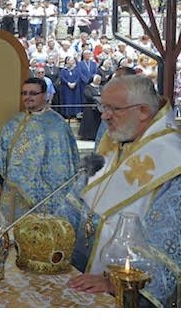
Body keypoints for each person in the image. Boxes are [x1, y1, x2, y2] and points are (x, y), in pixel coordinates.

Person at [63, 75, 181, 307]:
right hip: (80, 276)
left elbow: (168, 240)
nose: (104, 115)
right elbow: (79, 195)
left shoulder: (172, 160)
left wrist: (116, 283)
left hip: (126, 295)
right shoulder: (116, 139)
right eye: (102, 106)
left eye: (114, 109)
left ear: (144, 111)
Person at [0, 77, 80, 222]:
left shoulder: (58, 126)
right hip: (11, 194)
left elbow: (65, 167)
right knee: (9, 238)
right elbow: (1, 153)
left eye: (33, 93)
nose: (27, 97)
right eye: (24, 93)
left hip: (43, 199)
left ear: (44, 95)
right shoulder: (13, 123)